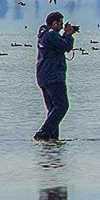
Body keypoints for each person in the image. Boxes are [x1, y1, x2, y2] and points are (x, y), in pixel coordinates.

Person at [34, 11, 77, 141]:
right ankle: (43, 133)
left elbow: (59, 44)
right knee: (62, 106)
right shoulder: (51, 35)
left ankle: (52, 139)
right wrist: (68, 35)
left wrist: (65, 34)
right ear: (55, 23)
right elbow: (66, 46)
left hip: (44, 77)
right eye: (61, 24)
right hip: (53, 77)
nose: (62, 26)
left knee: (53, 109)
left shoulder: (45, 35)